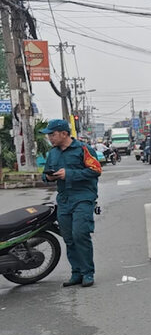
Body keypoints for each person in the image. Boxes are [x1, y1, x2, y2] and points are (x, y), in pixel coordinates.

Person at [41, 119, 101, 288]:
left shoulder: (83, 149)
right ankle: (77, 273)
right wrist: (49, 177)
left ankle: (88, 273)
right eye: (49, 135)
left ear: (64, 134)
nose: (50, 138)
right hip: (64, 199)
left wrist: (70, 174)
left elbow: (96, 170)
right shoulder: (53, 153)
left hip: (83, 197)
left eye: (52, 134)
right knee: (68, 238)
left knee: (80, 234)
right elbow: (44, 175)